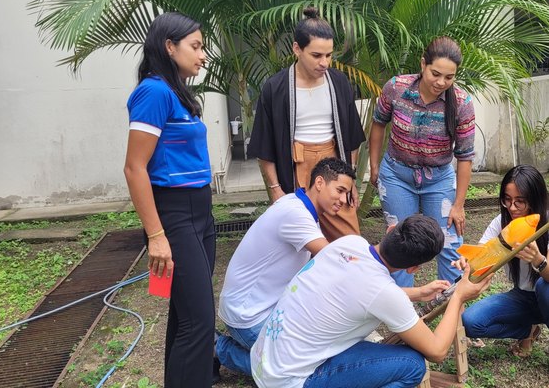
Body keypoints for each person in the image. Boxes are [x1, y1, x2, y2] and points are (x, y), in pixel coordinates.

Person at [250, 214, 492, 388]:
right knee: (412, 365)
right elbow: (437, 351)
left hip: (263, 361)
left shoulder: (349, 243)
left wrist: (417, 293)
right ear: (413, 268)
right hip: (290, 381)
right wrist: (459, 295)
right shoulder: (384, 293)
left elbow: (359, 292)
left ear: (390, 230)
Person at [123, 13, 215, 387]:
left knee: (186, 315)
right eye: (196, 46)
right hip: (174, 215)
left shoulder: (176, 92)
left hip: (200, 213)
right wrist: (156, 235)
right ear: (169, 46)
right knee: (199, 322)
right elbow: (134, 168)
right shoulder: (154, 92)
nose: (203, 55)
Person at [215, 157, 355, 377]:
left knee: (315, 348)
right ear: (319, 183)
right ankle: (218, 348)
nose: (343, 199)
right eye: (340, 190)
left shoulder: (301, 207)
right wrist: (382, 252)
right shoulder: (295, 214)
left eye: (347, 194)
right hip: (247, 314)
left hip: (267, 307)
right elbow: (334, 257)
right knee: (296, 372)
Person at [247, 7, 366, 242]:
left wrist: (350, 181)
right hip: (296, 168)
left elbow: (352, 137)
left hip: (335, 166)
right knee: (301, 243)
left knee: (348, 239)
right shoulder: (276, 87)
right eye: (316, 55)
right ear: (296, 49)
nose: (324, 62)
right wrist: (275, 189)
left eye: (329, 55)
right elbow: (264, 144)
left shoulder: (339, 83)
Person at [369, 36, 475, 287]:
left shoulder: (462, 103)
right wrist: (374, 166)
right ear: (423, 64)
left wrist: (458, 204)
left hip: (438, 179)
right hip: (396, 175)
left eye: (449, 77)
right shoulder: (396, 88)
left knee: (449, 243)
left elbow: (465, 156)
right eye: (435, 73)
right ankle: (402, 312)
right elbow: (378, 123)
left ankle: (452, 310)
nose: (441, 82)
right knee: (399, 244)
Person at [460, 165, 549, 357]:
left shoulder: (546, 225)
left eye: (520, 201)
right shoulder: (501, 222)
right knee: (470, 321)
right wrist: (466, 261)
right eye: (507, 200)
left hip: (547, 294)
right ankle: (527, 331)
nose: (512, 207)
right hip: (523, 297)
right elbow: (481, 253)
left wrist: (538, 260)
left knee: (543, 286)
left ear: (534, 200)